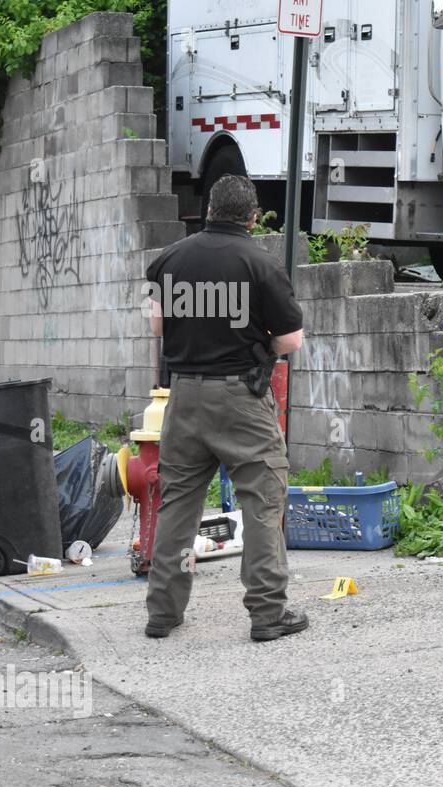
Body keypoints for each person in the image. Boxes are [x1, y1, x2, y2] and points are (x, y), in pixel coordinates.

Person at [142, 174, 308, 642]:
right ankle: (267, 613)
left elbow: (156, 326)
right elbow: (291, 339)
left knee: (178, 503)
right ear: (253, 218)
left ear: (209, 211)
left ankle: (163, 613)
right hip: (241, 398)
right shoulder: (261, 263)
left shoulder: (166, 261)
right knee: (262, 499)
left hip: (185, 398)